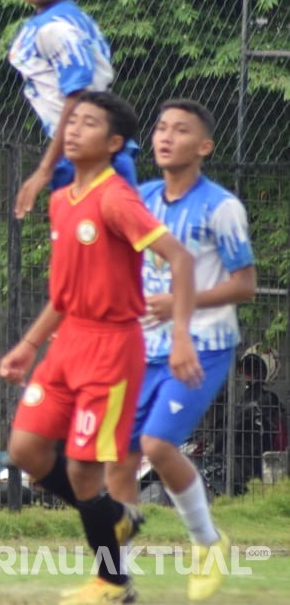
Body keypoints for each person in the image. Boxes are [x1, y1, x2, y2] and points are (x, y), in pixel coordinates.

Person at [0, 90, 201, 605]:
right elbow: (64, 295)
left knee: (83, 471)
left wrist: (179, 335)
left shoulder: (116, 198)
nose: (72, 130)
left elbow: (180, 260)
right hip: (67, 344)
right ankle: (114, 517)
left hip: (111, 349)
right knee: (24, 450)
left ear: (113, 143)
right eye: (71, 121)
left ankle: (114, 584)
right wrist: (28, 344)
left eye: (87, 124)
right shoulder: (60, 201)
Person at [104, 99, 255, 602]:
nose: (166, 136)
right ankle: (115, 581)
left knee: (157, 446)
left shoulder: (222, 207)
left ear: (204, 146)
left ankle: (208, 543)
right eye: (161, 127)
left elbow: (245, 285)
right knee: (118, 462)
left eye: (181, 130)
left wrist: (178, 306)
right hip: (138, 349)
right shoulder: (140, 197)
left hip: (203, 346)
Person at [9, 0, 134, 219]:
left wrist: (45, 168)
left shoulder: (58, 28)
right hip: (85, 153)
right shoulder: (61, 20)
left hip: (91, 158)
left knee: (100, 250)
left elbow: (77, 96)